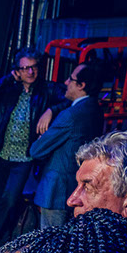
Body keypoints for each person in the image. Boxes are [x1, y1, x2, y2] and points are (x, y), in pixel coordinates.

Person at [0, 47, 64, 253]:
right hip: (2, 153)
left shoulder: (46, 90)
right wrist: (9, 78)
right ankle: (0, 241)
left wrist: (51, 110)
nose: (30, 72)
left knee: (10, 199)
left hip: (24, 157)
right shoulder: (10, 89)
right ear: (17, 71)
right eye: (25, 68)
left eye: (33, 67)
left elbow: (70, 99)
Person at [29, 62, 104, 229]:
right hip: (76, 188)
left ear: (81, 85)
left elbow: (36, 150)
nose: (65, 82)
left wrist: (42, 137)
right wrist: (51, 110)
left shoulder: (69, 116)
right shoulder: (95, 110)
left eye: (71, 79)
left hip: (56, 192)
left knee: (51, 240)